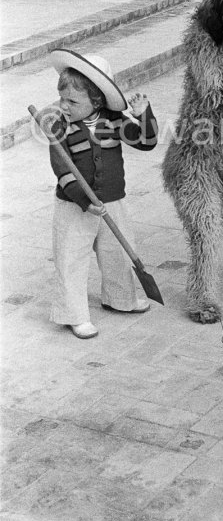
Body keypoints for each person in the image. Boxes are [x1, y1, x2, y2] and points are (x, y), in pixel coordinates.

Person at [47, 49, 158, 339]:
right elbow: (62, 169)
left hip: (112, 199)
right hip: (74, 206)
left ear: (96, 100)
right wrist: (84, 200)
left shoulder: (115, 120)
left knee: (118, 253)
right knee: (71, 258)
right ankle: (74, 314)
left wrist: (143, 114)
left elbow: (147, 142)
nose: (64, 106)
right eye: (62, 99)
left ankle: (120, 299)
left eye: (73, 101)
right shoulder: (60, 127)